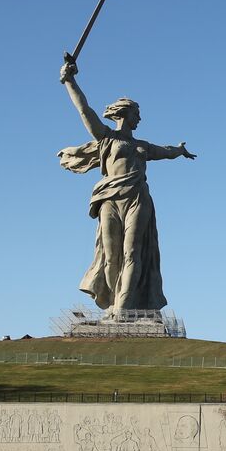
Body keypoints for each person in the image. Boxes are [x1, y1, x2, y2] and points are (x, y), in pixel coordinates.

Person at [57, 58, 197, 317]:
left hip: (137, 198)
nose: (140, 118)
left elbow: (164, 151)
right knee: (112, 257)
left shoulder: (142, 145)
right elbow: (85, 111)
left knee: (133, 252)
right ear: (124, 113)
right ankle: (112, 303)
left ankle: (124, 309)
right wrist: (70, 81)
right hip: (109, 198)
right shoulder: (106, 137)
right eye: (136, 114)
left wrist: (179, 151)